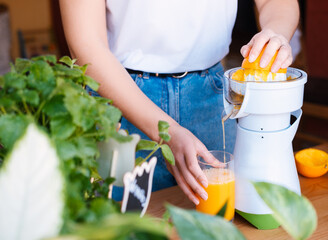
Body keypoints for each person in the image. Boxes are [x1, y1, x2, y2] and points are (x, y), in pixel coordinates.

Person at [59, 0, 300, 205]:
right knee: (125, 227)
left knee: (224, 227)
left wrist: (276, 33)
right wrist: (168, 132)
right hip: (122, 101)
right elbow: (86, 42)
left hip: (212, 97)